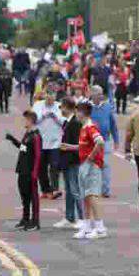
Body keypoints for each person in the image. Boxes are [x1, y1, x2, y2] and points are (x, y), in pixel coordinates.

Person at [75, 99, 108, 240]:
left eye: (77, 111)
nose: (76, 114)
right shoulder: (84, 128)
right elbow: (85, 146)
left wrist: (90, 158)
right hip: (84, 164)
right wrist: (70, 147)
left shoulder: (90, 127)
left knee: (92, 195)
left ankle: (100, 228)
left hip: (91, 166)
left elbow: (100, 141)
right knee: (86, 197)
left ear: (82, 113)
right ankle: (87, 226)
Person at [6, 110, 42, 231]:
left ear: (31, 120)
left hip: (30, 171)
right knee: (24, 195)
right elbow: (24, 148)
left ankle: (35, 221)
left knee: (33, 196)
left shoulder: (36, 136)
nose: (23, 121)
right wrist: (13, 140)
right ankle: (25, 218)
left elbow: (37, 155)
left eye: (25, 119)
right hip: (22, 169)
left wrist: (35, 172)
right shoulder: (27, 134)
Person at [55, 97, 83, 230]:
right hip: (66, 160)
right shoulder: (67, 122)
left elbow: (80, 144)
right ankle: (69, 217)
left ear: (67, 107)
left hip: (74, 161)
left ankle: (83, 218)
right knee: (69, 190)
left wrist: (67, 146)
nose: (60, 109)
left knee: (75, 190)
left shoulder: (76, 123)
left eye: (61, 107)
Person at [32, 87, 64, 198]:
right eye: (48, 97)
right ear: (45, 95)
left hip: (55, 141)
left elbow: (63, 121)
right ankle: (45, 190)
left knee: (55, 166)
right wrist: (45, 115)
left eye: (52, 97)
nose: (50, 99)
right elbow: (34, 120)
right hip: (41, 141)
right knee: (42, 167)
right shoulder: (38, 105)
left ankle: (55, 189)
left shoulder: (59, 106)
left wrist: (54, 116)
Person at [89, 85, 119, 198]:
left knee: (105, 165)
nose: (100, 96)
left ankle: (105, 190)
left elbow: (113, 124)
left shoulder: (107, 107)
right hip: (91, 141)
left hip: (105, 140)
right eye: (97, 93)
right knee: (91, 165)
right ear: (92, 94)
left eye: (101, 93)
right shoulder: (87, 107)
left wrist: (116, 140)